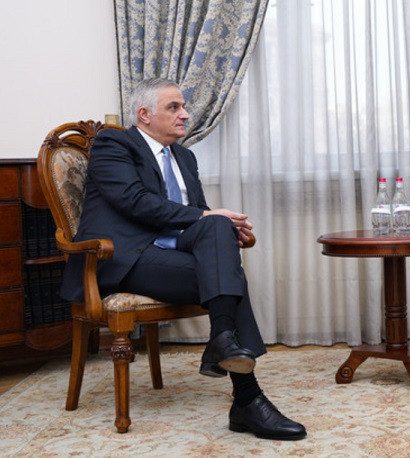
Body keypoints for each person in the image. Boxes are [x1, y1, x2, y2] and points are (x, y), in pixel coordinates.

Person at [60, 78, 306, 440]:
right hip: (125, 257)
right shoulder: (114, 144)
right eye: (174, 107)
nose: (185, 114)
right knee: (227, 275)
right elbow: (134, 201)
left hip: (171, 252)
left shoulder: (185, 157)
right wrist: (209, 218)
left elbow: (199, 216)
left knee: (218, 231)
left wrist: (224, 230)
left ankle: (223, 343)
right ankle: (247, 398)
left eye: (184, 106)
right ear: (144, 115)